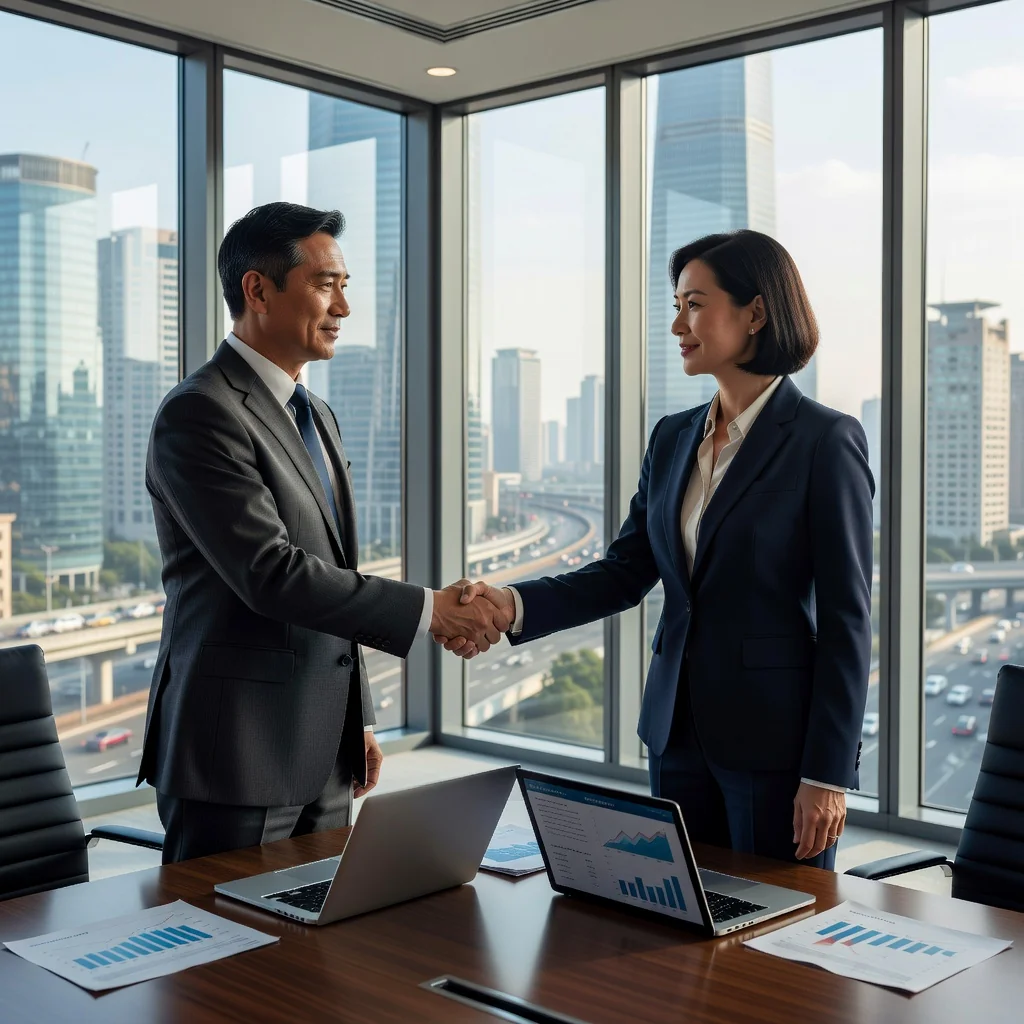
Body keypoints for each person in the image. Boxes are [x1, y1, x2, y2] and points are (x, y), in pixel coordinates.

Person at [438, 230, 873, 870]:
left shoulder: (824, 440)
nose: (677, 324)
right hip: (674, 733)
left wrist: (828, 773)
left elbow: (847, 621)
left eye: (694, 304)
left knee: (776, 935)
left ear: (755, 312)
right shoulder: (672, 438)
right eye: (677, 304)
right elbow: (624, 572)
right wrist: (508, 603)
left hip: (774, 745)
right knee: (681, 927)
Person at [139, 202, 509, 863]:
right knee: (225, 954)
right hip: (238, 755)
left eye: (346, 287)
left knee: (317, 955)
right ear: (258, 289)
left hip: (323, 753)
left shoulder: (318, 416)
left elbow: (331, 569)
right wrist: (431, 610)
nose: (343, 308)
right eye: (325, 284)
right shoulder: (200, 413)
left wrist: (354, 718)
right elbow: (271, 575)